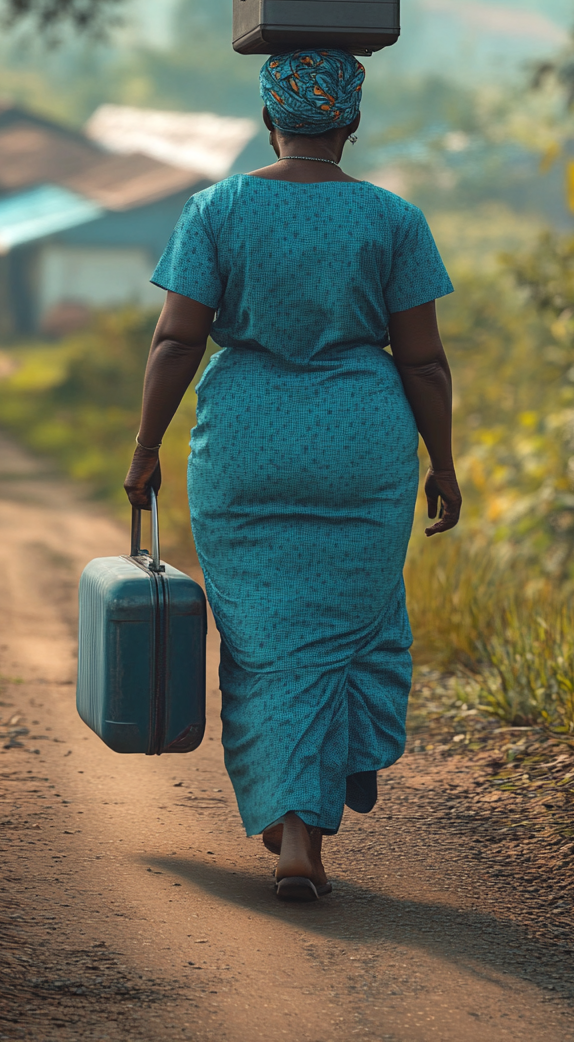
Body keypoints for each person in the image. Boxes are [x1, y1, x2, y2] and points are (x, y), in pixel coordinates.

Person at [124, 47, 462, 901]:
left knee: (268, 646)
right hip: (363, 451)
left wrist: (144, 446)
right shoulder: (394, 219)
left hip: (245, 450)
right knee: (347, 631)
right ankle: (307, 818)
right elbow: (423, 363)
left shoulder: (218, 208)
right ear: (349, 123)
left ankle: (291, 826)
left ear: (267, 118)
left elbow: (176, 340)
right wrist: (445, 464)